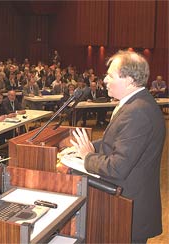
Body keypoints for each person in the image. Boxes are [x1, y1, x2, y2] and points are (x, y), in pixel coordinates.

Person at [71, 50, 165, 243]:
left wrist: (88, 156)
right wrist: (88, 146)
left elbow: (117, 167)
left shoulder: (137, 112)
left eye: (110, 75)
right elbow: (118, 141)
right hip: (127, 205)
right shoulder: (136, 103)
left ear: (129, 80)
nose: (104, 79)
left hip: (127, 209)